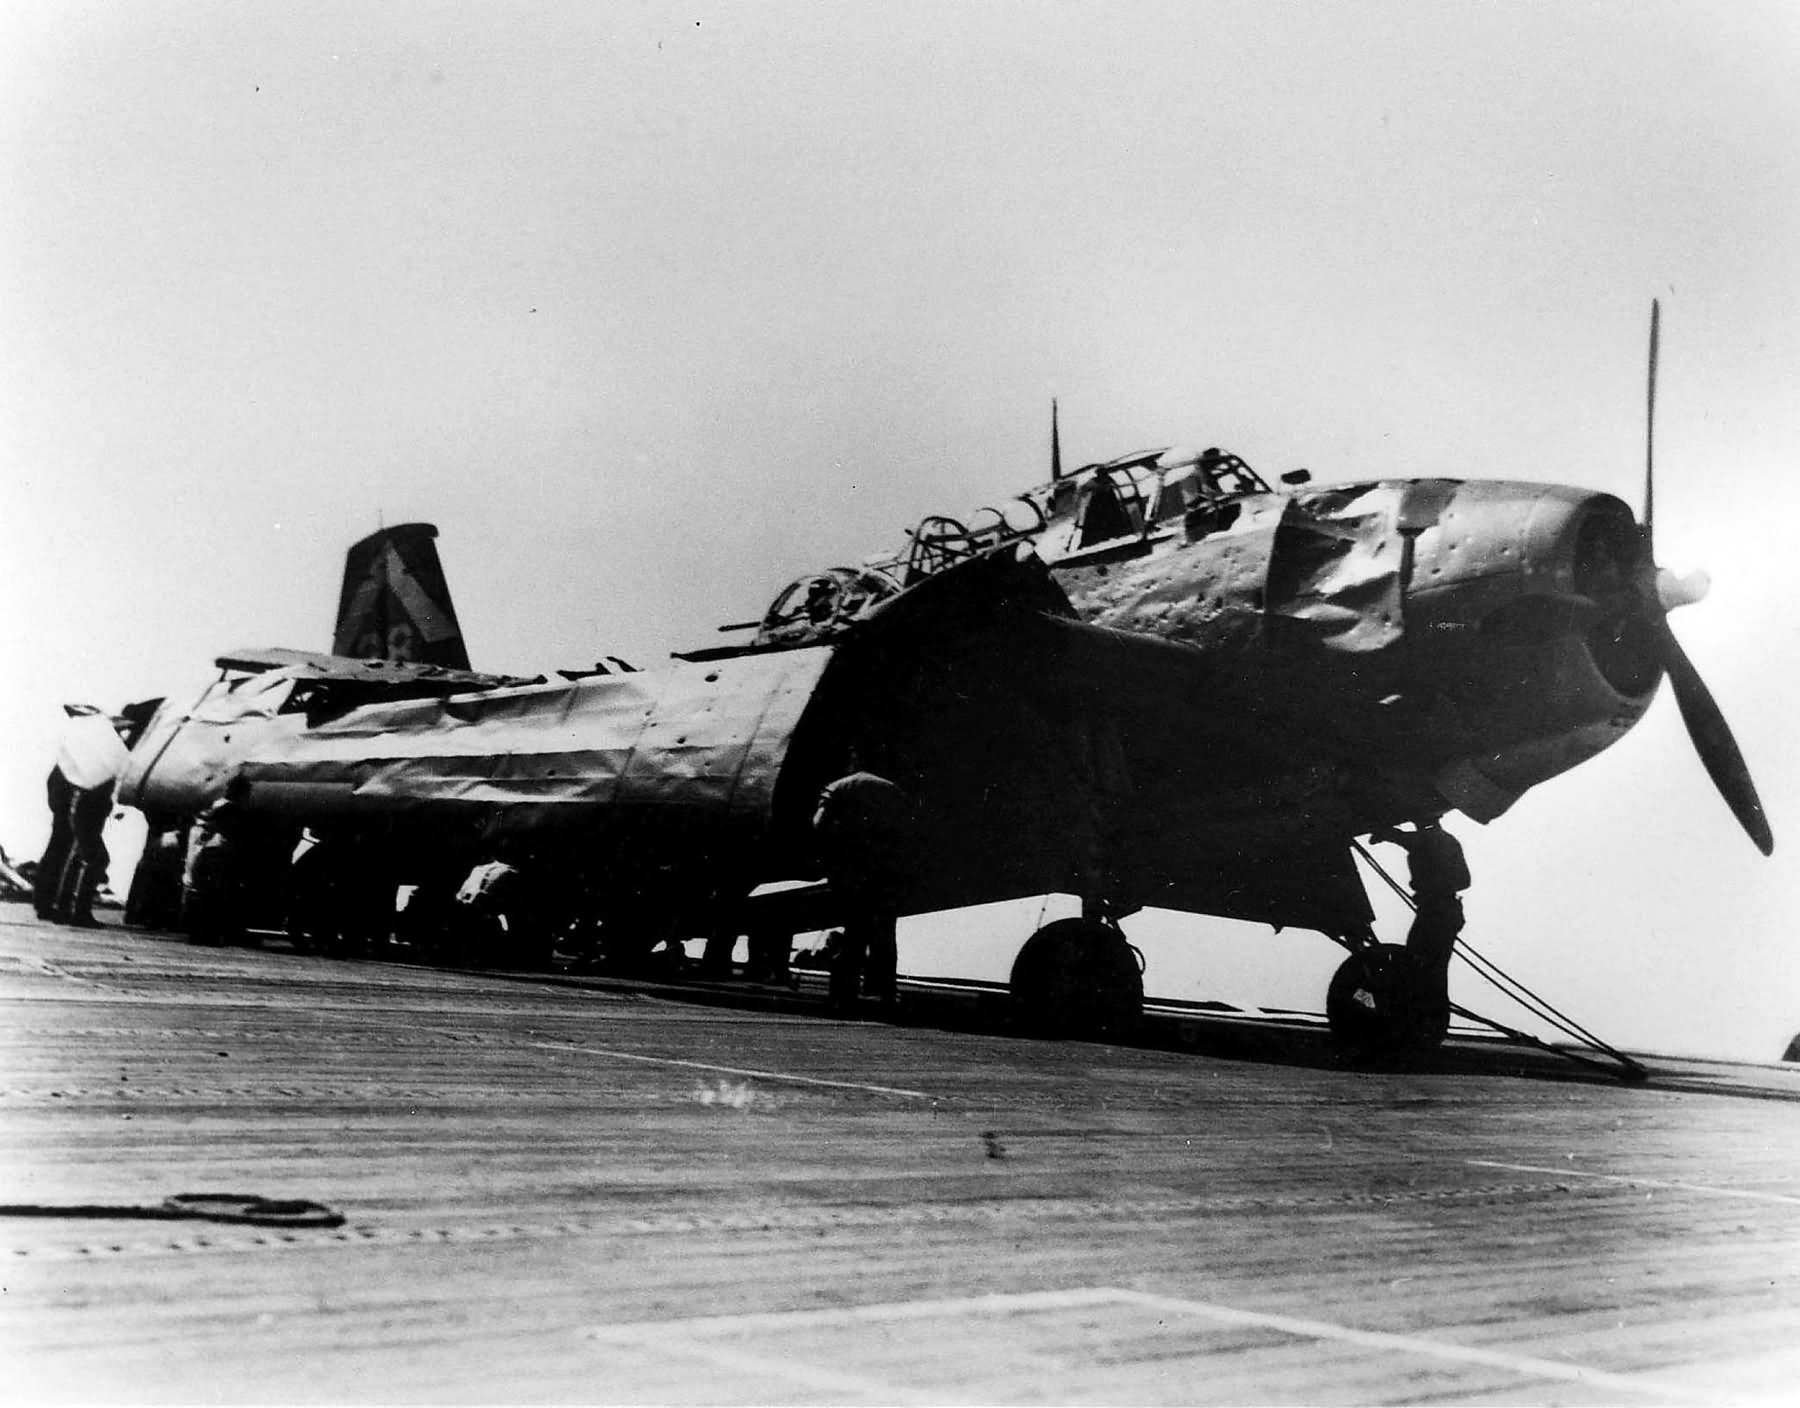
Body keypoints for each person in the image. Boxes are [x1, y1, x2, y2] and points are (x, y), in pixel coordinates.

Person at [812, 763, 913, 1012]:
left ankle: (844, 993)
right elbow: (908, 832)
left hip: (852, 873)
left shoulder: (839, 787)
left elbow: (818, 823)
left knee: (854, 933)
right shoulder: (893, 790)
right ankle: (883, 991)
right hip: (885, 875)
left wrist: (830, 855)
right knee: (885, 936)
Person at [35, 705, 130, 927]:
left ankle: (57, 906)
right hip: (81, 816)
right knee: (92, 859)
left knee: (70, 856)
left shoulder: (80, 760)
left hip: (74, 815)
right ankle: (75, 911)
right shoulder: (100, 762)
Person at [1372, 819, 1470, 1029]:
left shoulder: (1427, 839)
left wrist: (1384, 831)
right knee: (1435, 971)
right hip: (1446, 911)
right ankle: (1430, 1024)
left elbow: (1404, 839)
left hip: (1434, 912)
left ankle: (1418, 1022)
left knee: (1417, 965)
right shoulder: (1448, 840)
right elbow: (1464, 880)